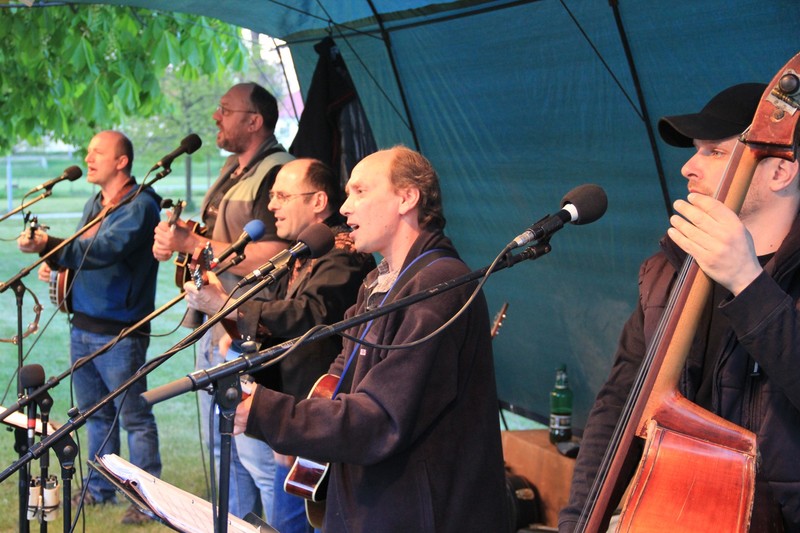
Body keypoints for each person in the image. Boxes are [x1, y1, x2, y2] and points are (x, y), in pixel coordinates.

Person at [559, 82, 800, 532]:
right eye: (695, 151)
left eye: (713, 151)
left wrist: (748, 283)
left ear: (780, 172)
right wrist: (578, 520)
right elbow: (618, 405)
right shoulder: (664, 273)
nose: (689, 167)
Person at [232, 146, 510, 532]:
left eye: (360, 191)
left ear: (407, 198)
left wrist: (267, 412)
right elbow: (341, 374)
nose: (346, 208)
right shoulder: (378, 282)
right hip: (376, 507)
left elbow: (381, 418)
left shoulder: (438, 287)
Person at [185, 157, 375, 532]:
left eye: (283, 196)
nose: (272, 206)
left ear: (318, 201)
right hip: (289, 416)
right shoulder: (298, 254)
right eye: (271, 196)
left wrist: (228, 306)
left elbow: (310, 314)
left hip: (317, 418)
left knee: (294, 521)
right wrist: (228, 314)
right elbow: (270, 326)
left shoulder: (345, 253)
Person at [152, 82, 294, 520]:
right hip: (216, 325)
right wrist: (180, 241)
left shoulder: (278, 172)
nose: (216, 116)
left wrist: (193, 243)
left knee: (257, 456)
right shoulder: (234, 168)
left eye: (226, 110)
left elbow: (275, 253)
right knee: (222, 449)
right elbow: (218, 240)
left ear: (254, 122)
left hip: (249, 331)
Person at [18, 130, 162, 525]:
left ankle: (148, 501)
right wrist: (57, 265)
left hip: (120, 333)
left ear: (122, 161)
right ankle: (99, 489)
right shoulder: (94, 203)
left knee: (134, 418)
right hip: (81, 324)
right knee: (94, 416)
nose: (89, 158)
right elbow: (81, 255)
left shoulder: (140, 206)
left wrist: (50, 245)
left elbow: (103, 250)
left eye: (98, 152)